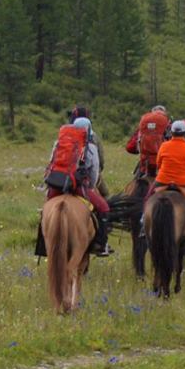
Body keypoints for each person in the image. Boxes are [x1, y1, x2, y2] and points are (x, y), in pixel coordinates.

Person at [35, 115, 111, 259]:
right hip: (78, 186)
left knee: (45, 210)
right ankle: (101, 244)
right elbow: (94, 171)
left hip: (57, 184)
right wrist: (90, 186)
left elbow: (51, 162)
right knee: (103, 208)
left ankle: (43, 244)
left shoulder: (59, 143)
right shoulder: (91, 147)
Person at [72, 104, 115, 257]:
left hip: (61, 182)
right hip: (83, 184)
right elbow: (99, 164)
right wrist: (91, 185)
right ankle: (102, 241)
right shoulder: (92, 140)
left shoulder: (62, 139)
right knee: (105, 201)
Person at [125, 104, 171, 180]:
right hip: (164, 168)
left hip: (145, 167)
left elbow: (130, 147)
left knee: (135, 183)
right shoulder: (169, 127)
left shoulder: (143, 129)